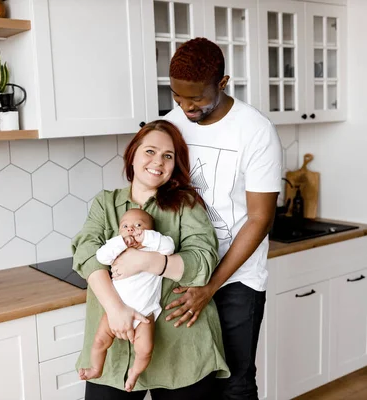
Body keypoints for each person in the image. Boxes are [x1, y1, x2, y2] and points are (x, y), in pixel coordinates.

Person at [72, 120, 229, 399]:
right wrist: (116, 311)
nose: (158, 161)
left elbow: (204, 260)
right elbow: (86, 255)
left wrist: (148, 262)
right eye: (150, 151)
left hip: (180, 345)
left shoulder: (186, 204)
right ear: (132, 154)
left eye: (168, 156)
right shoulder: (105, 203)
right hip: (114, 345)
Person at [161, 37, 283, 400]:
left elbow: (260, 219)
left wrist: (210, 287)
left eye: (196, 98)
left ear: (224, 83)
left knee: (235, 383)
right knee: (189, 382)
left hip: (237, 281)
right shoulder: (170, 124)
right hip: (183, 274)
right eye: (178, 97)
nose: (186, 107)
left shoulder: (256, 131)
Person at [79, 208, 175, 392]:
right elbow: (101, 257)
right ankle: (96, 369)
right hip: (115, 310)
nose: (131, 229)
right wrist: (120, 242)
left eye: (138, 225)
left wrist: (146, 238)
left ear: (150, 231)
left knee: (145, 349)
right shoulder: (116, 249)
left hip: (144, 314)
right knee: (99, 342)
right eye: (125, 226)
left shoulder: (154, 248)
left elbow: (169, 247)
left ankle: (134, 373)